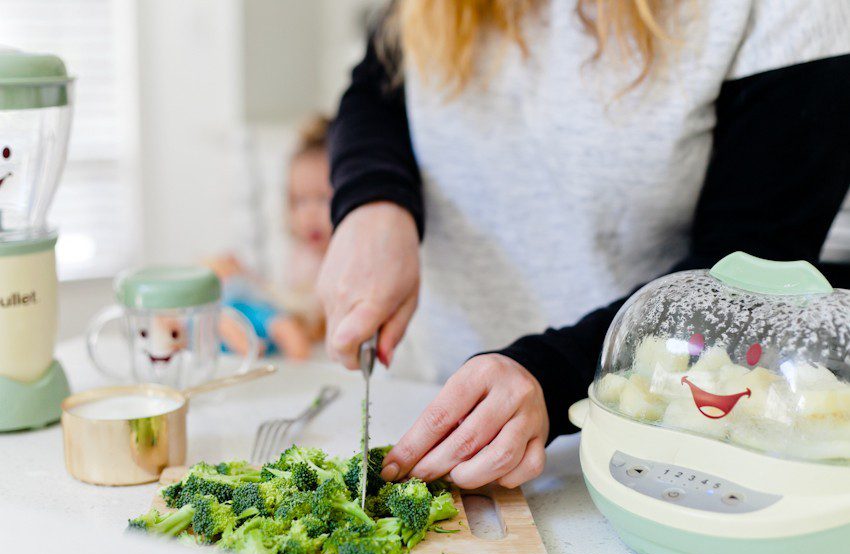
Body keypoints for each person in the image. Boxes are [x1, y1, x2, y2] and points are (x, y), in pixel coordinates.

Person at [319, 0, 850, 489]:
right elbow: (379, 89)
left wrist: (551, 373)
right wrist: (373, 204)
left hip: (660, 453)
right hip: (438, 410)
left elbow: (748, 270)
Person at [210, 115, 333, 360]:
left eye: (323, 199)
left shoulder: (342, 261)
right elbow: (282, 297)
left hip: (302, 338)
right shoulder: (300, 253)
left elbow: (312, 314)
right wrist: (246, 276)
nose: (309, 214)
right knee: (226, 286)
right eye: (299, 201)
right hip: (283, 327)